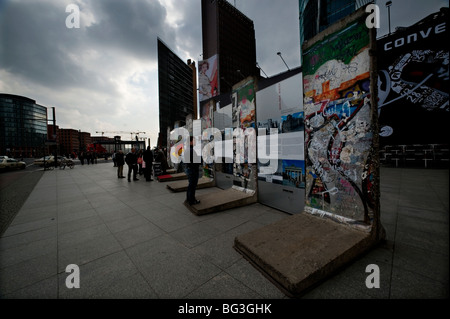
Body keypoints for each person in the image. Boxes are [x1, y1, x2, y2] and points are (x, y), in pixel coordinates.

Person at [185, 136, 201, 205]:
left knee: (190, 185)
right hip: (193, 170)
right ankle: (192, 200)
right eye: (194, 140)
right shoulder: (191, 150)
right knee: (193, 185)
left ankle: (189, 199)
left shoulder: (187, 149)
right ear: (191, 142)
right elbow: (195, 161)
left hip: (189, 169)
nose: (195, 142)